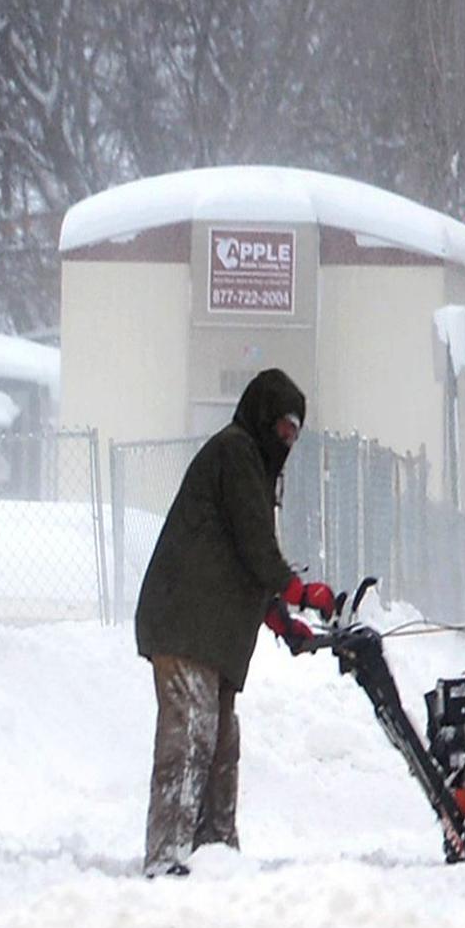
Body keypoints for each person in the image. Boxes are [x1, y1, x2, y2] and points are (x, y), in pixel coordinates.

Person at [134, 368, 334, 877]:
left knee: (222, 742)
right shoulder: (236, 452)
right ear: (263, 416)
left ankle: (214, 850)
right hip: (185, 623)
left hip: (211, 630)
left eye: (295, 431)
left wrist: (279, 618)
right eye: (283, 427)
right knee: (191, 737)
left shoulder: (254, 463)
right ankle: (166, 855)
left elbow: (239, 559)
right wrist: (297, 591)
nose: (287, 438)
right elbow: (253, 543)